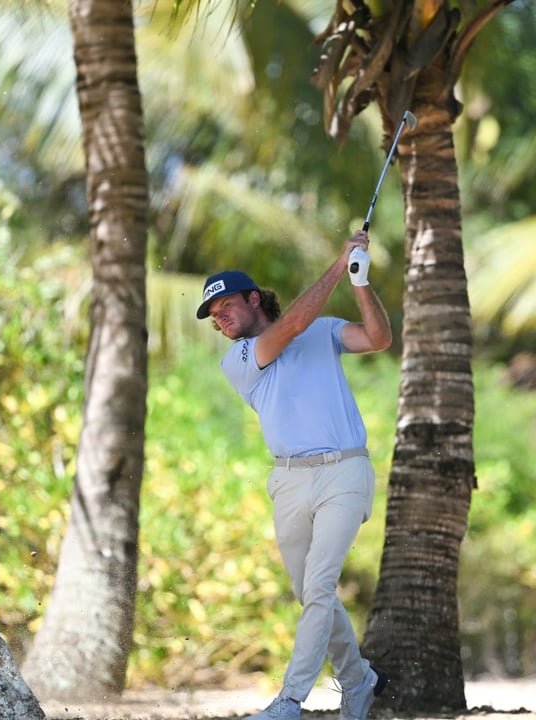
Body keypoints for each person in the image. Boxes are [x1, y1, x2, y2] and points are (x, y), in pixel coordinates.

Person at [196, 230, 392, 720]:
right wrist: (339, 260)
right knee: (311, 593)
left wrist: (359, 278)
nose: (219, 317)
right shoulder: (239, 359)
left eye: (224, 305)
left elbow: (378, 339)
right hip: (288, 481)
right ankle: (359, 681)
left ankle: (290, 700)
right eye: (213, 315)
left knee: (320, 587)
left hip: (344, 470)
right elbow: (295, 321)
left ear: (253, 298)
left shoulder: (323, 331)